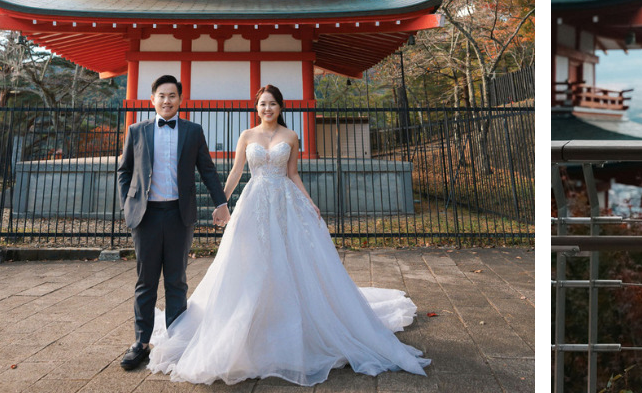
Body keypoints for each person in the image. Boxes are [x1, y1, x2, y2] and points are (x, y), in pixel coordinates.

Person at [145, 84, 430, 386]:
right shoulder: (247, 136)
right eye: (262, 104)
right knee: (249, 263)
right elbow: (236, 172)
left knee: (289, 260)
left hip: (284, 202)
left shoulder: (291, 137)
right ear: (256, 108)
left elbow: (293, 173)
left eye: (272, 104)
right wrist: (222, 203)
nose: (267, 109)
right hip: (253, 202)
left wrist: (309, 201)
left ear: (280, 108)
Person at [117, 74, 231, 371]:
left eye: (172, 96)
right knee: (146, 280)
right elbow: (124, 171)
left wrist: (221, 203)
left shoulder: (193, 131)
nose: (167, 101)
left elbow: (207, 169)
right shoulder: (137, 130)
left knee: (177, 280)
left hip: (180, 215)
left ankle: (176, 341)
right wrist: (128, 205)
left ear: (181, 100)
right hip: (147, 216)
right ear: (152, 99)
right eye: (161, 95)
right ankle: (141, 342)